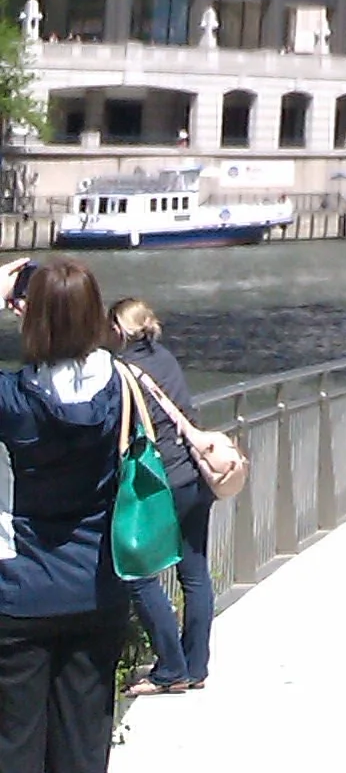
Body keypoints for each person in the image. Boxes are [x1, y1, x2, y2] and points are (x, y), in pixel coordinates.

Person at [0, 257, 127, 773]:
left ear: (28, 318)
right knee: (83, 742)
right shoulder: (123, 386)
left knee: (15, 743)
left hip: (20, 590)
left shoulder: (11, 397)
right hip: (97, 584)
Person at [109, 297, 212, 698]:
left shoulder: (123, 371)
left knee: (137, 572)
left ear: (118, 330)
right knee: (194, 574)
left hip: (160, 482)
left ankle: (170, 668)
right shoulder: (164, 357)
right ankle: (195, 665)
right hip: (192, 476)